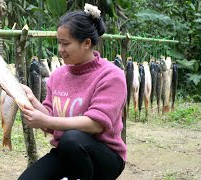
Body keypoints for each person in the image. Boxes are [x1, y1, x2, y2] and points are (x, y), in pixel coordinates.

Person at [19, 3, 126, 180]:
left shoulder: (111, 75)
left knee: (72, 139)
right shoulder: (58, 75)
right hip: (68, 152)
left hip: (104, 157)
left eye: (66, 44)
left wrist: (47, 120)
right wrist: (32, 100)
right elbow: (51, 119)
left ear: (86, 43)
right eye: (59, 43)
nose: (60, 49)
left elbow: (95, 125)